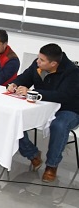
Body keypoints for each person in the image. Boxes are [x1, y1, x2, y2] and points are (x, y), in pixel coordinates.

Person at [7, 44, 79, 183]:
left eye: (42, 60)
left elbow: (63, 95)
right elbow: (25, 78)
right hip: (42, 106)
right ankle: (32, 154)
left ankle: (52, 165)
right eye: (38, 58)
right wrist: (14, 84)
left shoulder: (72, 72)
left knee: (59, 125)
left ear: (53, 64)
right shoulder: (37, 64)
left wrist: (34, 92)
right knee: (14, 116)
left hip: (68, 109)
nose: (37, 61)